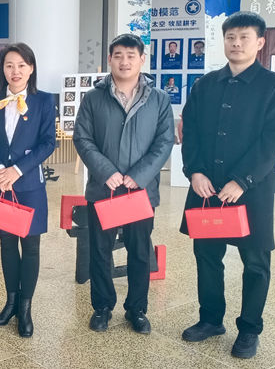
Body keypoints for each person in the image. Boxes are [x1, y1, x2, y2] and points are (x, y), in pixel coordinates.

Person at [180, 11, 275, 359]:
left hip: (251, 191)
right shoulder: (205, 85)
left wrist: (242, 180)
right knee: (206, 255)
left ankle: (249, 329)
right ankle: (211, 319)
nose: (236, 43)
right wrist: (195, 172)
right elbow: (190, 132)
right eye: (231, 37)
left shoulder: (273, 87)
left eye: (244, 37)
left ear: (260, 43)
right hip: (207, 188)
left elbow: (273, 140)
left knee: (255, 261)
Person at [74, 33, 174, 335]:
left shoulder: (159, 99)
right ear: (110, 59)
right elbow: (82, 138)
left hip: (140, 192)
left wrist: (139, 175)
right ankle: (102, 307)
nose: (125, 61)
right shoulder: (93, 98)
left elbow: (164, 142)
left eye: (131, 56)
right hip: (103, 189)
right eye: (118, 55)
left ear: (142, 59)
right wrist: (106, 171)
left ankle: (137, 309)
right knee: (100, 251)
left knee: (140, 252)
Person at [0, 43, 56, 338]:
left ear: (31, 68)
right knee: (7, 244)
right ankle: (10, 303)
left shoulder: (44, 101)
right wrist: (1, 170)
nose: (15, 71)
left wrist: (17, 170)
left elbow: (48, 143)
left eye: (22, 65)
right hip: (0, 184)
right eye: (9, 65)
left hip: (29, 185)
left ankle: (25, 309)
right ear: (2, 70)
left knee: (31, 246)